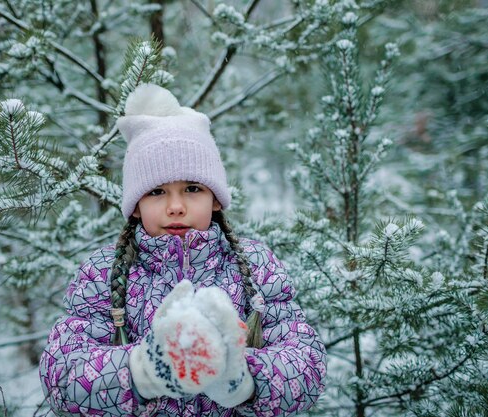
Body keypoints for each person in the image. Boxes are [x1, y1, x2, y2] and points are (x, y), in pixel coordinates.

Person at [39, 83, 327, 416]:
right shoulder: (102, 273)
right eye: (157, 192)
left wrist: (243, 380)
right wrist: (145, 371)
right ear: (135, 205)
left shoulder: (255, 264)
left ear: (215, 199)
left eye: (192, 188)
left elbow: (307, 362)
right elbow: (62, 376)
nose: (176, 207)